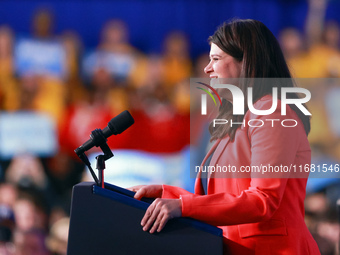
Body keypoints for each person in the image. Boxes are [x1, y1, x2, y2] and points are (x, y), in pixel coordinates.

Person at [129, 19, 320, 254]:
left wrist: (182, 206)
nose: (207, 68)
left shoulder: (273, 111)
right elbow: (223, 198)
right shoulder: (237, 116)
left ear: (246, 60)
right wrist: (165, 193)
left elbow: (262, 199)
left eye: (216, 59)